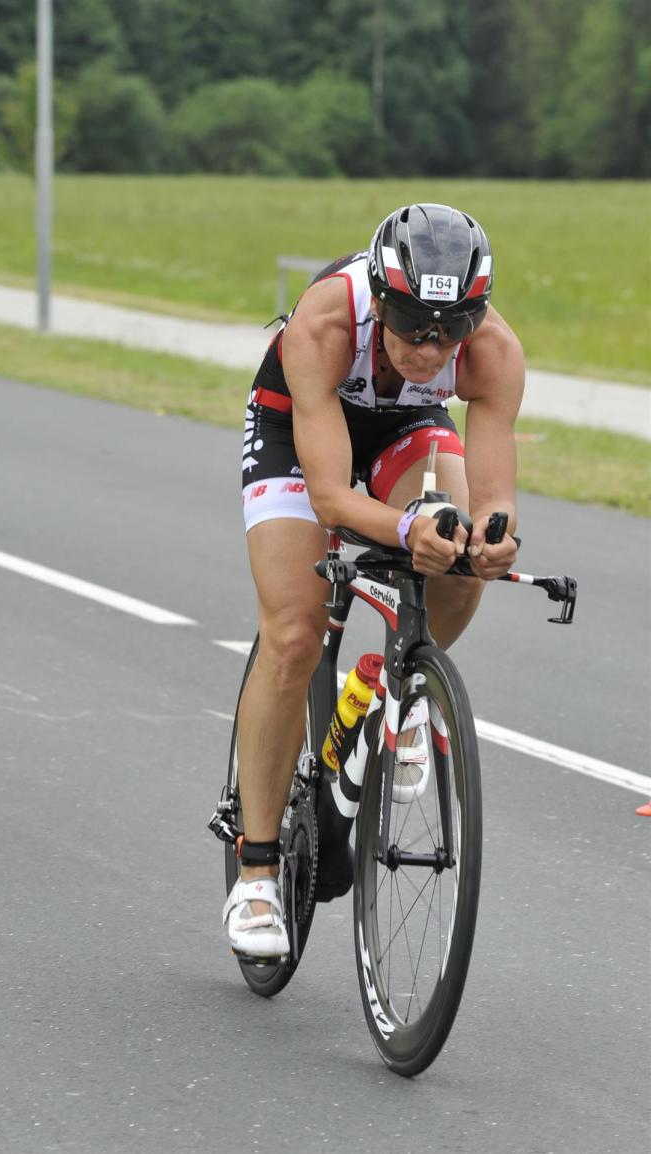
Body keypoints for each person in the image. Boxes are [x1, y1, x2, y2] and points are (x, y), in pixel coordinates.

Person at [222, 203, 523, 959]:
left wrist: (492, 538)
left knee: (459, 552)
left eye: (450, 330)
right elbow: (329, 499)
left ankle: (403, 688)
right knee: (294, 635)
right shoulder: (327, 321)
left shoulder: (491, 352)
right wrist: (405, 528)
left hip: (405, 429)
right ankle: (257, 871)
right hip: (297, 426)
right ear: (382, 301)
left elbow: (494, 499)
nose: (430, 348)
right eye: (412, 325)